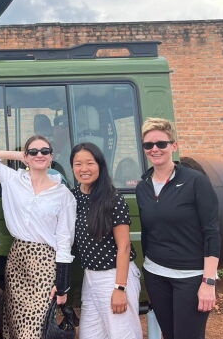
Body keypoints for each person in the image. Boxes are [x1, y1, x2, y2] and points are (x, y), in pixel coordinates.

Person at [0, 136, 75, 339]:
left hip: (45, 262)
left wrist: (62, 282)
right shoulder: (13, 179)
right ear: (26, 156)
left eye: (44, 151)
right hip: (18, 260)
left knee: (32, 331)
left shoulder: (63, 194)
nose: (39, 155)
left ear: (52, 157)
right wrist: (21, 156)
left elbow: (65, 240)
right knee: (15, 326)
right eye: (33, 152)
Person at [136, 117, 220, 339]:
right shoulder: (143, 187)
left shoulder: (195, 181)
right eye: (148, 145)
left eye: (161, 143)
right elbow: (148, 233)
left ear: (173, 146)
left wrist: (209, 282)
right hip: (156, 275)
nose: (155, 149)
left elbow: (211, 232)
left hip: (191, 278)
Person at [70, 142, 142, 339]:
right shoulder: (73, 197)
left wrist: (120, 288)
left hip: (113, 275)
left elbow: (124, 246)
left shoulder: (113, 199)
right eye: (78, 164)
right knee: (89, 334)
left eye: (90, 163)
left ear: (100, 166)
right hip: (90, 277)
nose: (84, 169)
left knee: (121, 334)